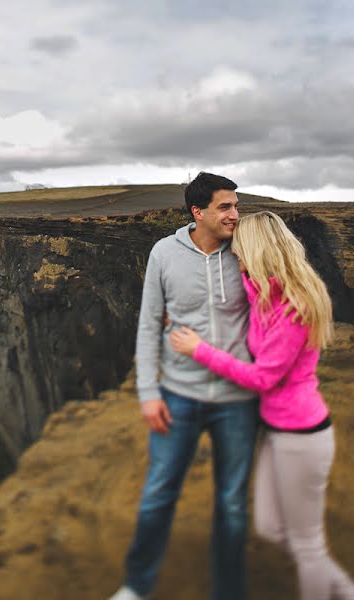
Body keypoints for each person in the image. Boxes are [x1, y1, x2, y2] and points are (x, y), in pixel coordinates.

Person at [168, 211, 354, 600]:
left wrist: (200, 350)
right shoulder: (265, 295)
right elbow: (231, 297)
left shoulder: (295, 309)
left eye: (241, 252)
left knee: (308, 547)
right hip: (278, 432)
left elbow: (263, 378)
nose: (236, 259)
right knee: (270, 527)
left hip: (302, 435)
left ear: (259, 252)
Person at [110, 172, 259, 600]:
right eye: (225, 207)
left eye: (236, 205)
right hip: (178, 394)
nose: (235, 214)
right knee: (158, 494)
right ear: (198, 212)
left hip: (238, 399)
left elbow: (274, 308)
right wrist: (148, 392)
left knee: (232, 505)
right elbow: (147, 323)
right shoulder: (164, 253)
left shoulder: (247, 250)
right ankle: (137, 587)